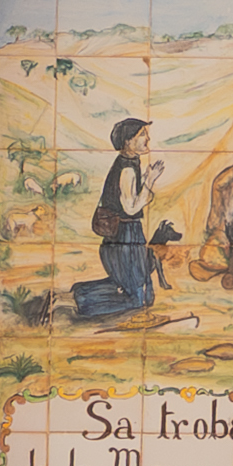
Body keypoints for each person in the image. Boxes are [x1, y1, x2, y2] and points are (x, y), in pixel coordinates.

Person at [74, 116, 164, 321]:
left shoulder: (129, 163)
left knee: (144, 295)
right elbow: (130, 208)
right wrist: (149, 182)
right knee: (136, 299)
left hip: (125, 236)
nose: (147, 140)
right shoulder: (126, 168)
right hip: (125, 236)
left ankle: (77, 294)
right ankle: (77, 300)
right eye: (142, 135)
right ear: (128, 141)